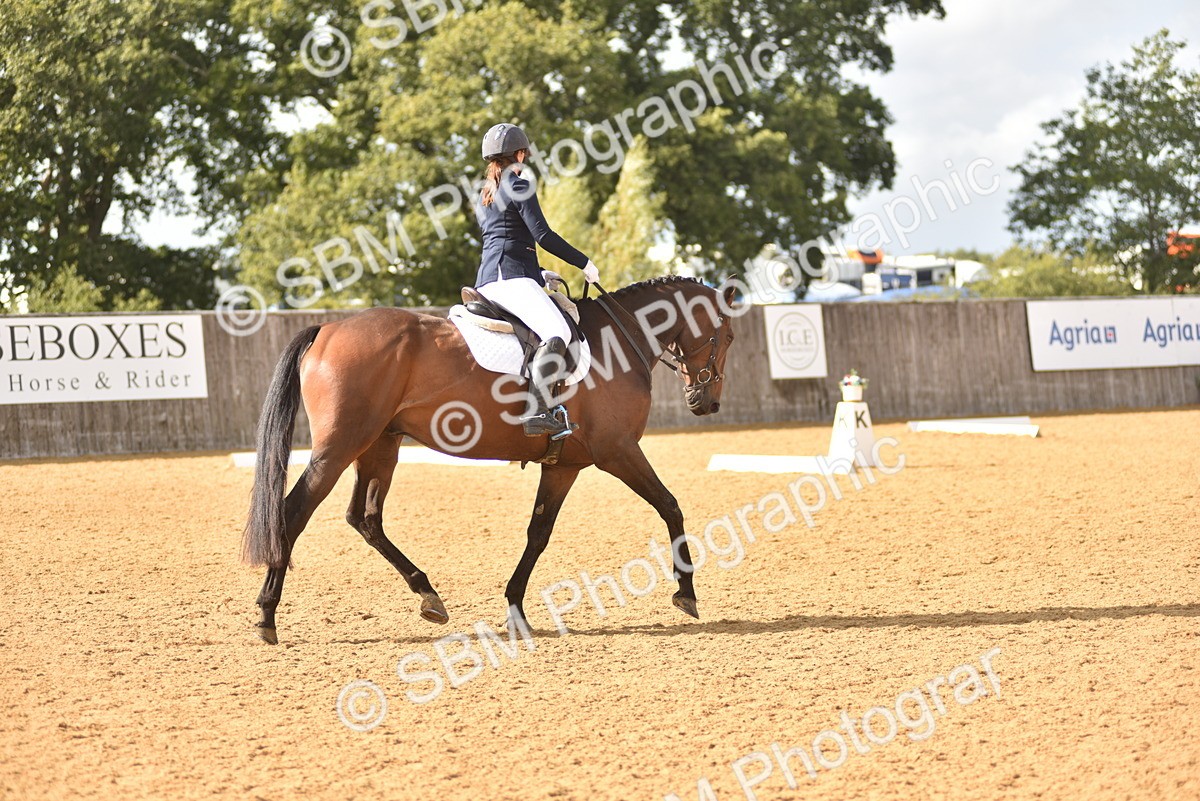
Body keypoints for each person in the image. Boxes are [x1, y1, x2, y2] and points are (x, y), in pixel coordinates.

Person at [474, 122, 600, 439]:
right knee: (557, 331)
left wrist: (539, 273)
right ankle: (538, 412)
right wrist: (583, 262)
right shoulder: (519, 185)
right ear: (520, 154)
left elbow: (506, 239)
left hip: (490, 279)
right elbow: (542, 235)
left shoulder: (484, 195)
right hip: (511, 280)